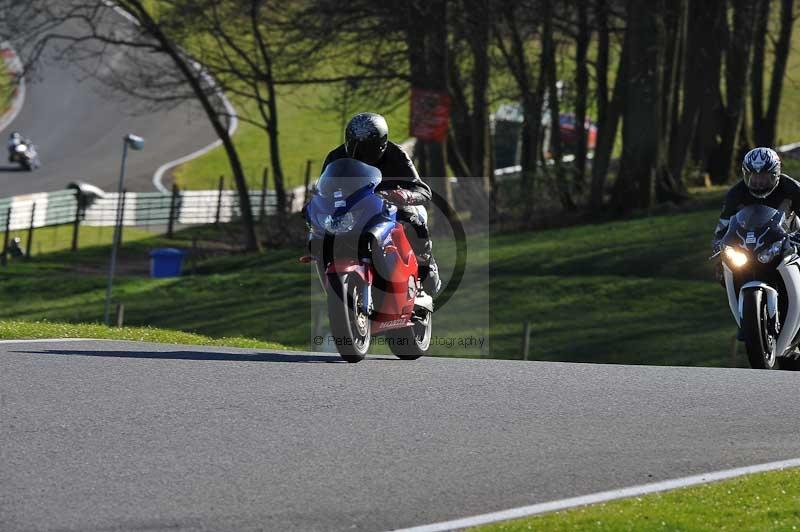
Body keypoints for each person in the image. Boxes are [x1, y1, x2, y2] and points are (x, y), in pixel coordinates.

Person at [322, 112, 441, 295]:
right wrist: (314, 205)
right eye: (356, 147)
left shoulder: (397, 154)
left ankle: (426, 263)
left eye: (368, 148)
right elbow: (324, 190)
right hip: (351, 209)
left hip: (390, 207)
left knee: (412, 217)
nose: (361, 154)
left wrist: (403, 195)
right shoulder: (335, 157)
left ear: (382, 142)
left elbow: (423, 190)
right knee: (322, 233)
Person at [712, 147, 800, 253]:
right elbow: (723, 225)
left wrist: (797, 237)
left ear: (775, 174)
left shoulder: (792, 188)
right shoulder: (735, 193)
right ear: (746, 174)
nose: (758, 182)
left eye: (763, 176)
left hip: (789, 242)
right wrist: (718, 243)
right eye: (753, 176)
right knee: (723, 266)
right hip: (747, 248)